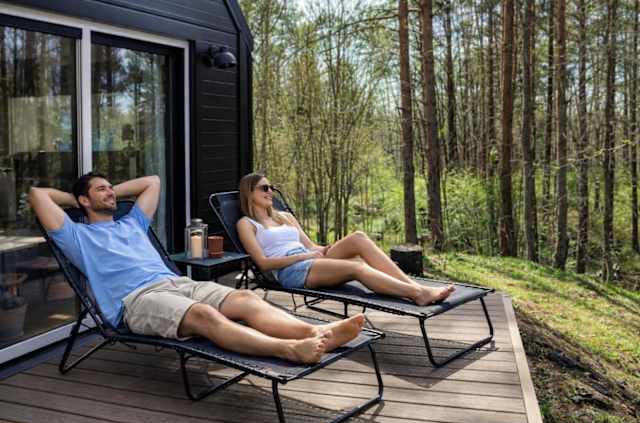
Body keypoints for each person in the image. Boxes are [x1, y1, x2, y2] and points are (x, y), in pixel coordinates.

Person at [29, 172, 365, 364]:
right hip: (136, 299)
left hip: (175, 283)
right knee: (204, 316)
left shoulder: (131, 222)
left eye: (111, 188)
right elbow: (37, 194)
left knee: (247, 299)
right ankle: (289, 349)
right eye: (101, 190)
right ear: (84, 201)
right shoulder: (76, 236)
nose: (110, 194)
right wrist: (77, 199)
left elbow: (153, 181)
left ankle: (315, 332)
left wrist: (107, 191)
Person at [237, 173, 456, 306]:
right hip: (291, 270)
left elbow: (312, 246)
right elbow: (263, 263)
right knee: (357, 268)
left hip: (311, 258)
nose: (270, 191)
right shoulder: (247, 224)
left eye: (272, 187)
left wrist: (329, 248)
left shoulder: (284, 216)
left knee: (358, 237)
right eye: (264, 188)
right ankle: (418, 294)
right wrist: (304, 257)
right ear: (249, 192)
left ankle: (413, 285)